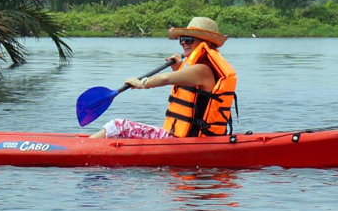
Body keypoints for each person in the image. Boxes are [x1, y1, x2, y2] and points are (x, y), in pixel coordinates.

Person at [90, 17, 237, 139]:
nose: (184, 43)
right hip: (187, 138)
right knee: (119, 131)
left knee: (118, 125)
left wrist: (142, 83)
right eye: (182, 40)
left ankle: (81, 148)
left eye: (188, 39)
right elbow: (189, 85)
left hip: (187, 141)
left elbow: (166, 78)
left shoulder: (202, 69)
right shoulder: (201, 69)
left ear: (204, 43)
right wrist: (178, 68)